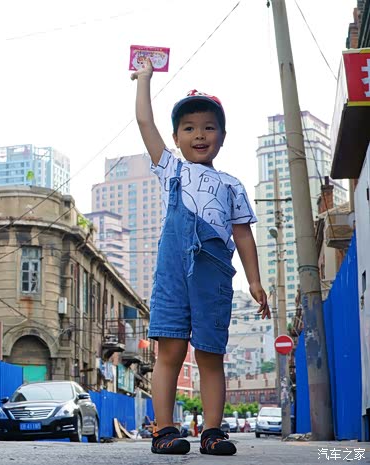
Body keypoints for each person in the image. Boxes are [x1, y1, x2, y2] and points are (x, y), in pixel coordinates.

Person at [131, 58, 271, 456]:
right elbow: (144, 122)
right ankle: (164, 430)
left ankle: (212, 432)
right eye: (189, 127)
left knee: (210, 354)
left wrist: (254, 281)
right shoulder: (170, 169)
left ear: (222, 137)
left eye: (209, 127)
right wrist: (144, 79)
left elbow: (242, 234)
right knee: (170, 351)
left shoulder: (231, 185)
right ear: (176, 137)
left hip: (214, 275)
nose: (199, 134)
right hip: (173, 272)